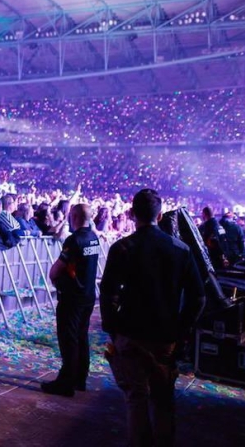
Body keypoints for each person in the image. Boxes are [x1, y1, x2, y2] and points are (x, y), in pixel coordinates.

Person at [100, 189, 206, 447]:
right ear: (159, 215)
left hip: (131, 334)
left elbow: (108, 293)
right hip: (165, 336)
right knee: (163, 399)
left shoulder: (122, 247)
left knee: (136, 398)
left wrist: (113, 330)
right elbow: (198, 298)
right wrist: (181, 330)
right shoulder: (181, 250)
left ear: (133, 214)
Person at [41, 203, 101, 397]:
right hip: (88, 295)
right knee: (82, 337)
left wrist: (54, 279)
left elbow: (58, 268)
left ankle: (66, 382)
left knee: (69, 339)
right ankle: (80, 379)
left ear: (73, 217)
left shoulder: (74, 240)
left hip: (73, 296)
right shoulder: (93, 237)